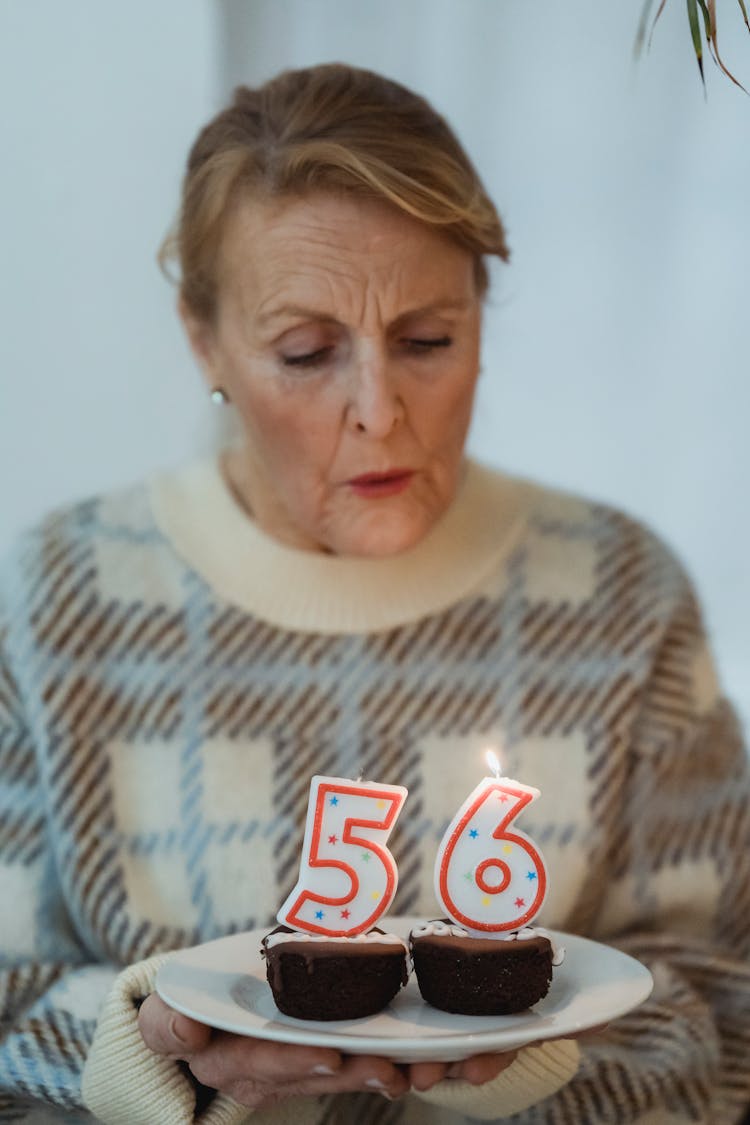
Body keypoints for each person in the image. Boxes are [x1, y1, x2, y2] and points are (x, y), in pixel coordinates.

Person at [0, 62, 748, 1125]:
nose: (379, 412)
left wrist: (519, 1061)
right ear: (204, 339)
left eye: (428, 341)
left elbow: (723, 1006)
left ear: (483, 316)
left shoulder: (622, 593)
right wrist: (163, 1054)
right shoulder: (58, 598)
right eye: (306, 352)